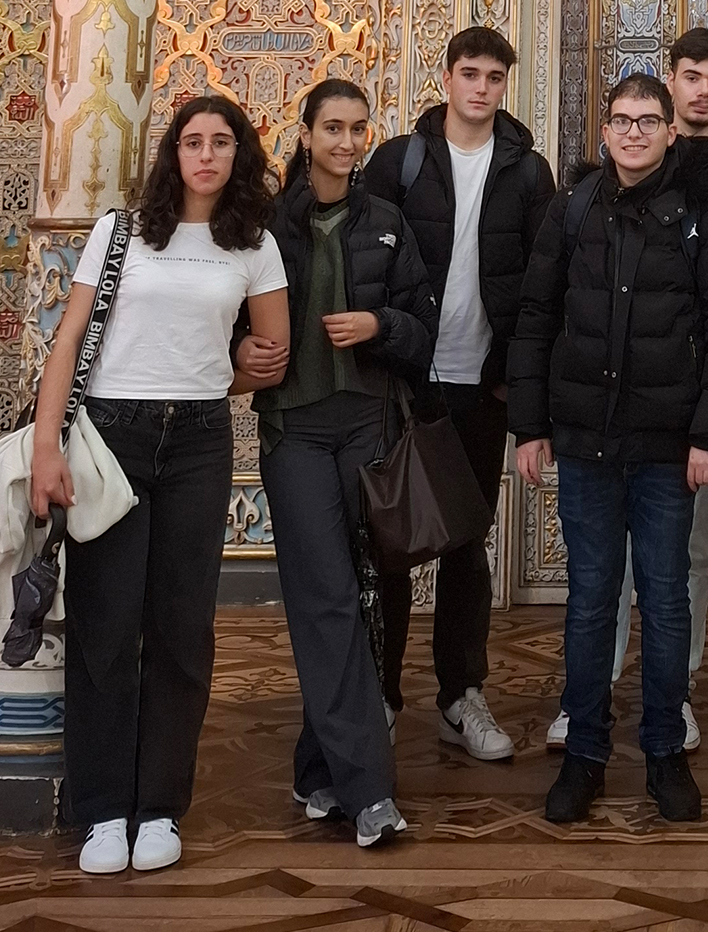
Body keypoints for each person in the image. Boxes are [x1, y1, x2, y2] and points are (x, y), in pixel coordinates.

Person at [30, 96, 289, 876]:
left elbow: (270, 354)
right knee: (106, 625)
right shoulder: (122, 232)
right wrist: (46, 445)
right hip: (111, 435)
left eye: (220, 142)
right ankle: (104, 810)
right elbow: (69, 339)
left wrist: (217, 372)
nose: (205, 154)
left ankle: (159, 809)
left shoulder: (255, 246)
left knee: (181, 628)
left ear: (239, 154)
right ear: (173, 153)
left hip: (199, 440)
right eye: (192, 141)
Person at [509, 73, 708, 825]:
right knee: (590, 600)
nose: (634, 133)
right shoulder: (574, 207)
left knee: (666, 599)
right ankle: (584, 754)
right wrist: (530, 424)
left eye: (649, 121)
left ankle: (664, 753)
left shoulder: (702, 209)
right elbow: (536, 316)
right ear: (606, 130)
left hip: (667, 447)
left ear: (670, 132)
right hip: (586, 442)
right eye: (622, 120)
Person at [547, 27, 708, 755]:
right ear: (670, 83)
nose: (703, 90)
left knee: (685, 559)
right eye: (691, 76)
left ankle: (676, 693)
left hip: (692, 399)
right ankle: (595, 690)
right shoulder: (605, 182)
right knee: (600, 572)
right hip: (606, 404)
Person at [250, 79, 437, 849]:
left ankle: (317, 769)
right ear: (304, 134)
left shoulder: (386, 221)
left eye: (359, 128)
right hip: (294, 433)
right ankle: (369, 792)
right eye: (332, 127)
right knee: (329, 595)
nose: (348, 142)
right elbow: (225, 324)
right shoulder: (264, 226)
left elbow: (423, 329)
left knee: (362, 597)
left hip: (368, 427)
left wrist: (379, 324)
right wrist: (243, 355)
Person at [365, 26, 555, 760]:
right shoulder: (400, 161)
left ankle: (461, 695)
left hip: (483, 385)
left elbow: (540, 284)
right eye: (469, 73)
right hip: (405, 383)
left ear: (506, 84)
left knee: (467, 545)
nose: (481, 88)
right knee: (389, 542)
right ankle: (380, 697)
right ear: (446, 77)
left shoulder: (528, 172)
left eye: (494, 77)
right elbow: (364, 260)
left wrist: (518, 379)